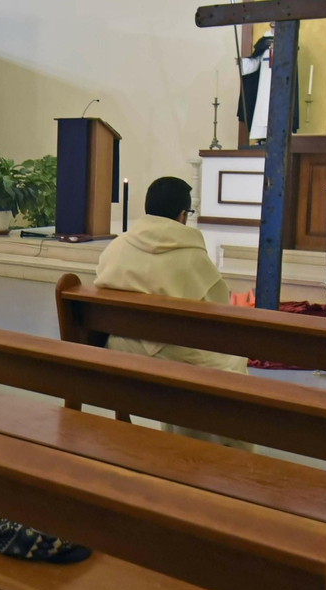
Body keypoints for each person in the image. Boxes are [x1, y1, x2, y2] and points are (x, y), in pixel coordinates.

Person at [93, 176, 251, 449]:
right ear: (182, 215)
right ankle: (222, 452)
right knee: (232, 362)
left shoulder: (116, 247)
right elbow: (218, 311)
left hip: (119, 349)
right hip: (173, 359)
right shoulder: (192, 257)